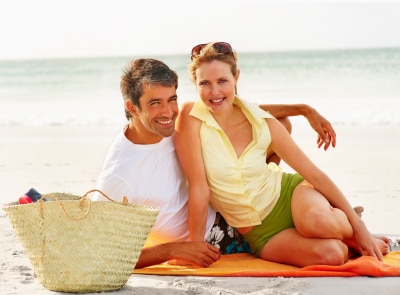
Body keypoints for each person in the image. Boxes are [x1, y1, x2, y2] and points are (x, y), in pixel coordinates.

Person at [94, 58, 339, 269]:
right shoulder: (119, 176)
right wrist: (174, 250)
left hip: (225, 199)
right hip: (214, 235)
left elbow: (236, 112)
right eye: (155, 103)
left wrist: (304, 110)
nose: (168, 112)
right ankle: (321, 212)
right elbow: (103, 256)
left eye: (172, 99)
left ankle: (318, 210)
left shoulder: (174, 126)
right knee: (326, 246)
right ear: (132, 108)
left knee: (282, 125)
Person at [173, 42, 390, 267]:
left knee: (318, 222)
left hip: (290, 196)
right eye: (205, 83)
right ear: (195, 84)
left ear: (236, 79)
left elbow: (314, 175)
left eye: (222, 81)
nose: (214, 91)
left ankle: (350, 226)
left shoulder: (263, 122)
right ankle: (342, 230)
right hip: (261, 232)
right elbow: (199, 187)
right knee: (332, 256)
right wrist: (193, 247)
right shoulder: (190, 117)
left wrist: (360, 229)